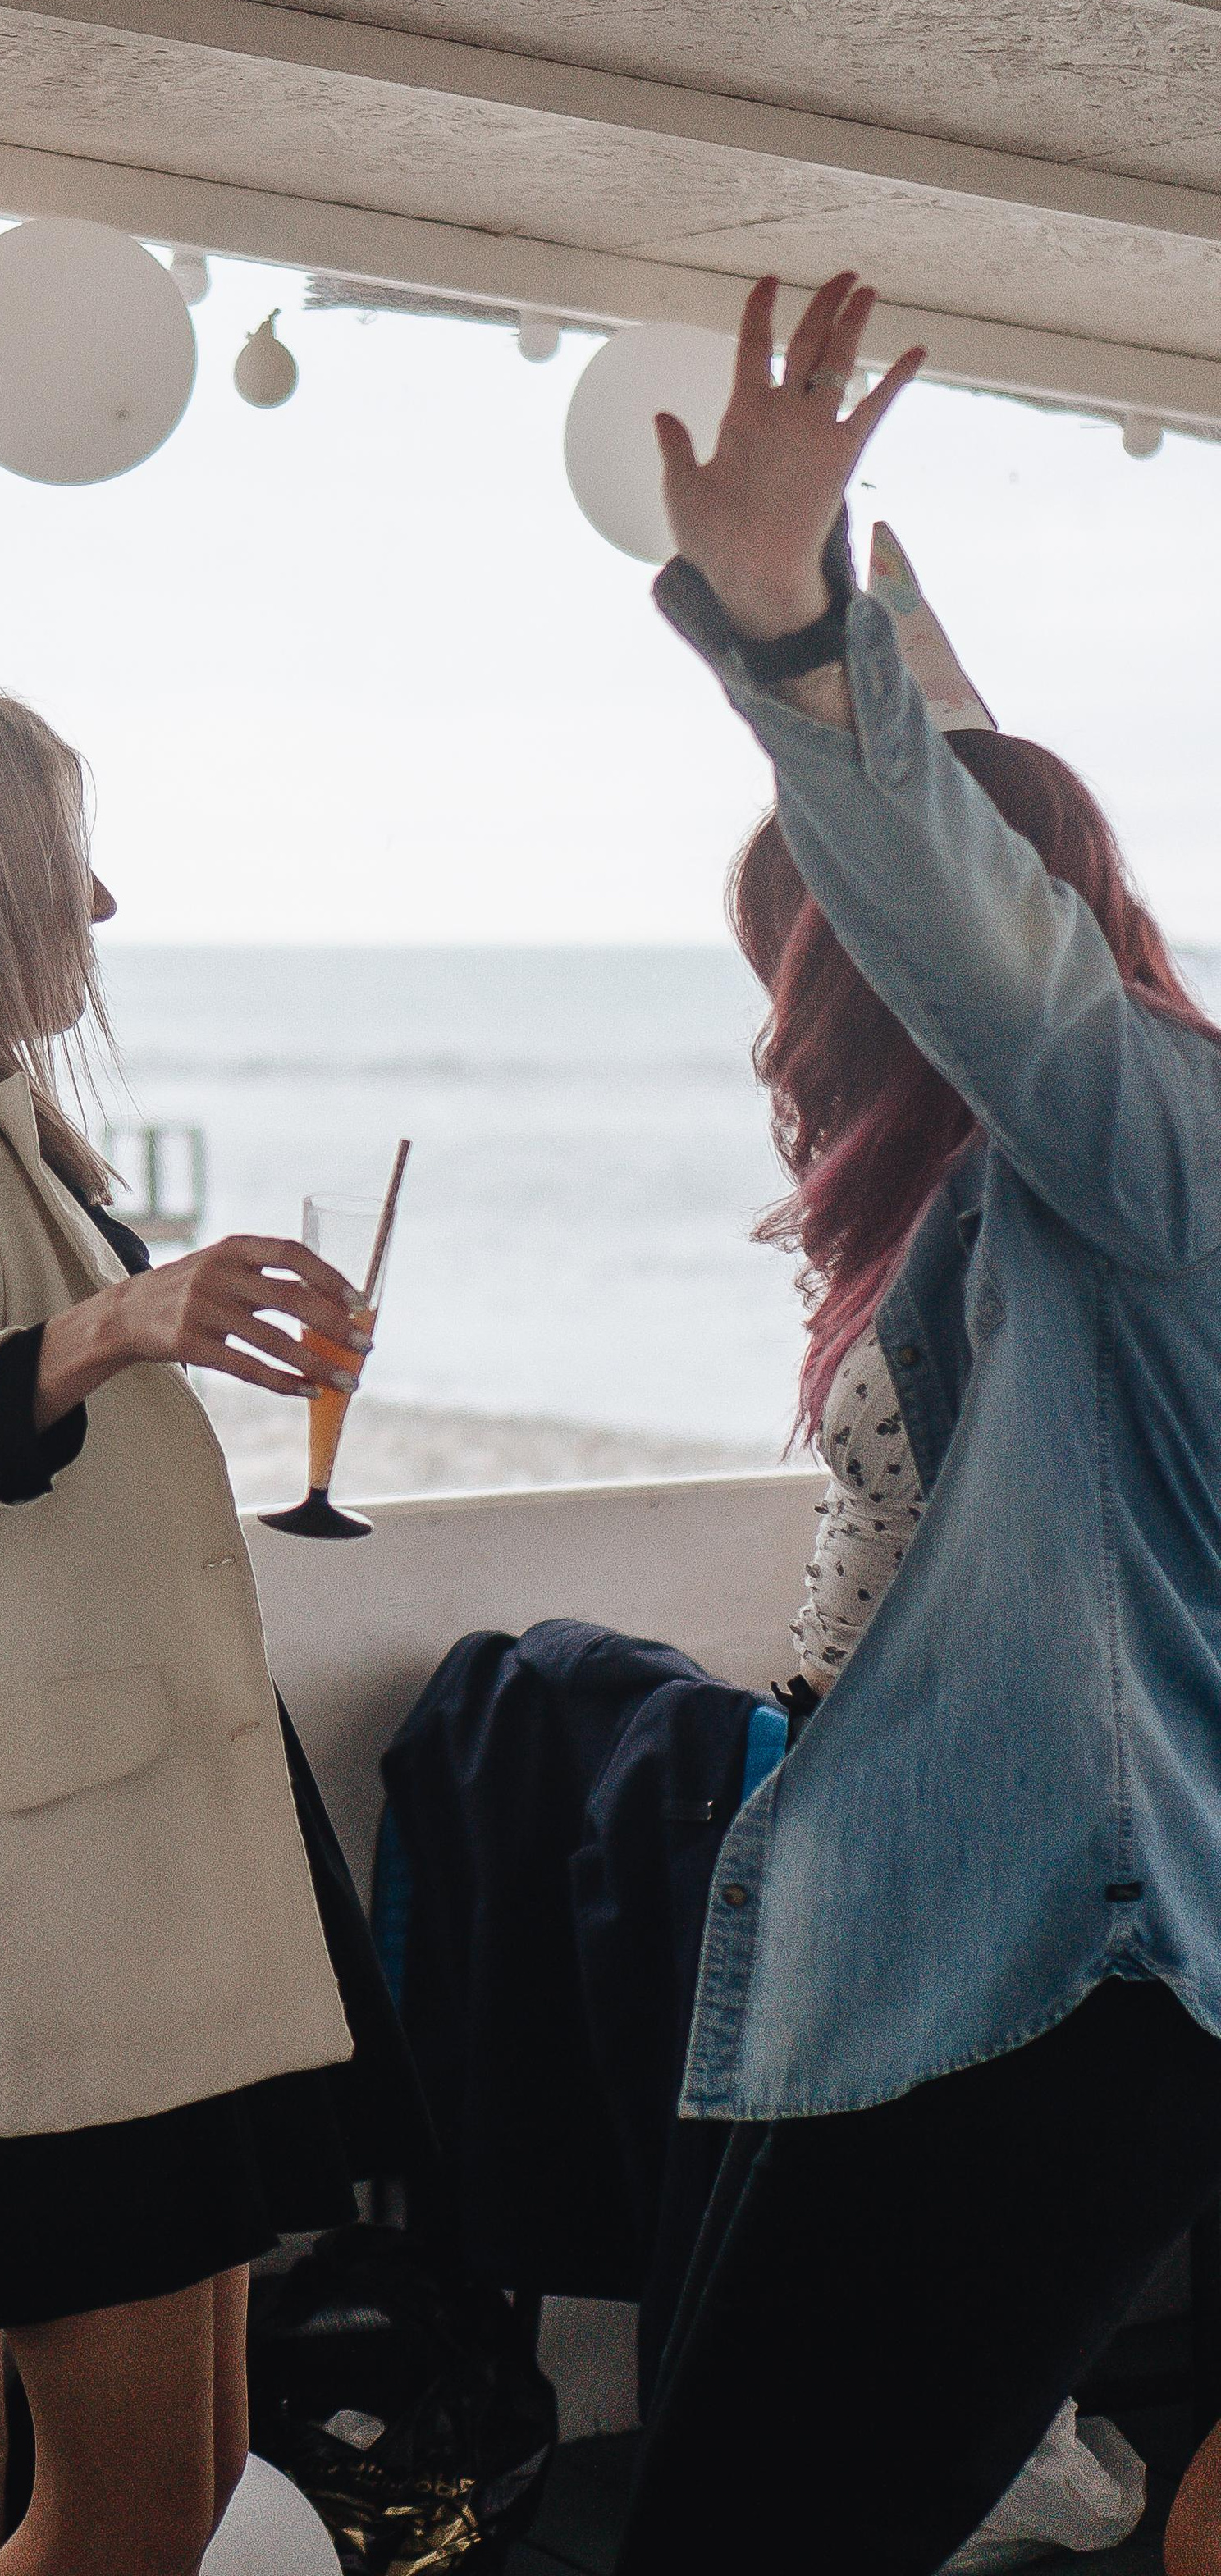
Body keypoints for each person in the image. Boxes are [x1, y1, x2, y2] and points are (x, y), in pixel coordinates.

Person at [613, 273, 1221, 2576]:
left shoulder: (1152, 1149)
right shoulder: (1009, 1196)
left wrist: (782, 629)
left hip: (1064, 1967)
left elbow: (990, 937)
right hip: (902, 1930)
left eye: (801, 935)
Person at [0, 681, 427, 2576]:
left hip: (115, 1918)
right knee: (119, 2518)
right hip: (42, 1943)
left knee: (170, 2496)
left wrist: (136, 1321)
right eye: (57, 861)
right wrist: (124, 1320)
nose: (95, 905)